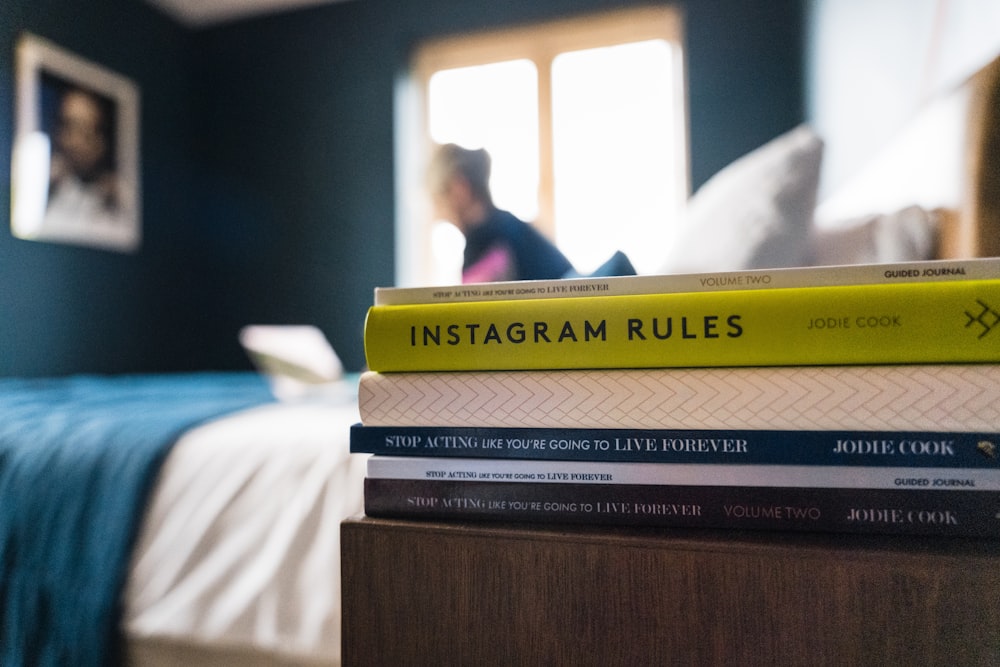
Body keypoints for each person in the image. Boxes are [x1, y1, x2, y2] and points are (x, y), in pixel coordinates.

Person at [427, 143, 574, 283]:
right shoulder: (508, 226)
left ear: (459, 188)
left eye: (437, 200)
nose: (438, 214)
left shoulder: (491, 241)